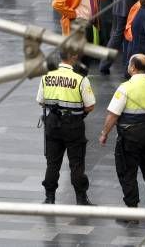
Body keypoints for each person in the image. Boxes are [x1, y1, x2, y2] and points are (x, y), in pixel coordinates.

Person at [98, 54, 145, 212]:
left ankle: (132, 208)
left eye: (129, 64)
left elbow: (113, 115)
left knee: (128, 171)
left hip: (130, 135)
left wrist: (104, 133)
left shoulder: (125, 88)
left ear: (133, 67)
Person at [37, 49, 96, 205]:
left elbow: (41, 101)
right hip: (73, 125)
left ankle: (49, 198)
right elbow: (90, 106)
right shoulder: (80, 79)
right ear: (74, 57)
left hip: (52, 123)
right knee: (76, 163)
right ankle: (81, 199)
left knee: (52, 163)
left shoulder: (46, 76)